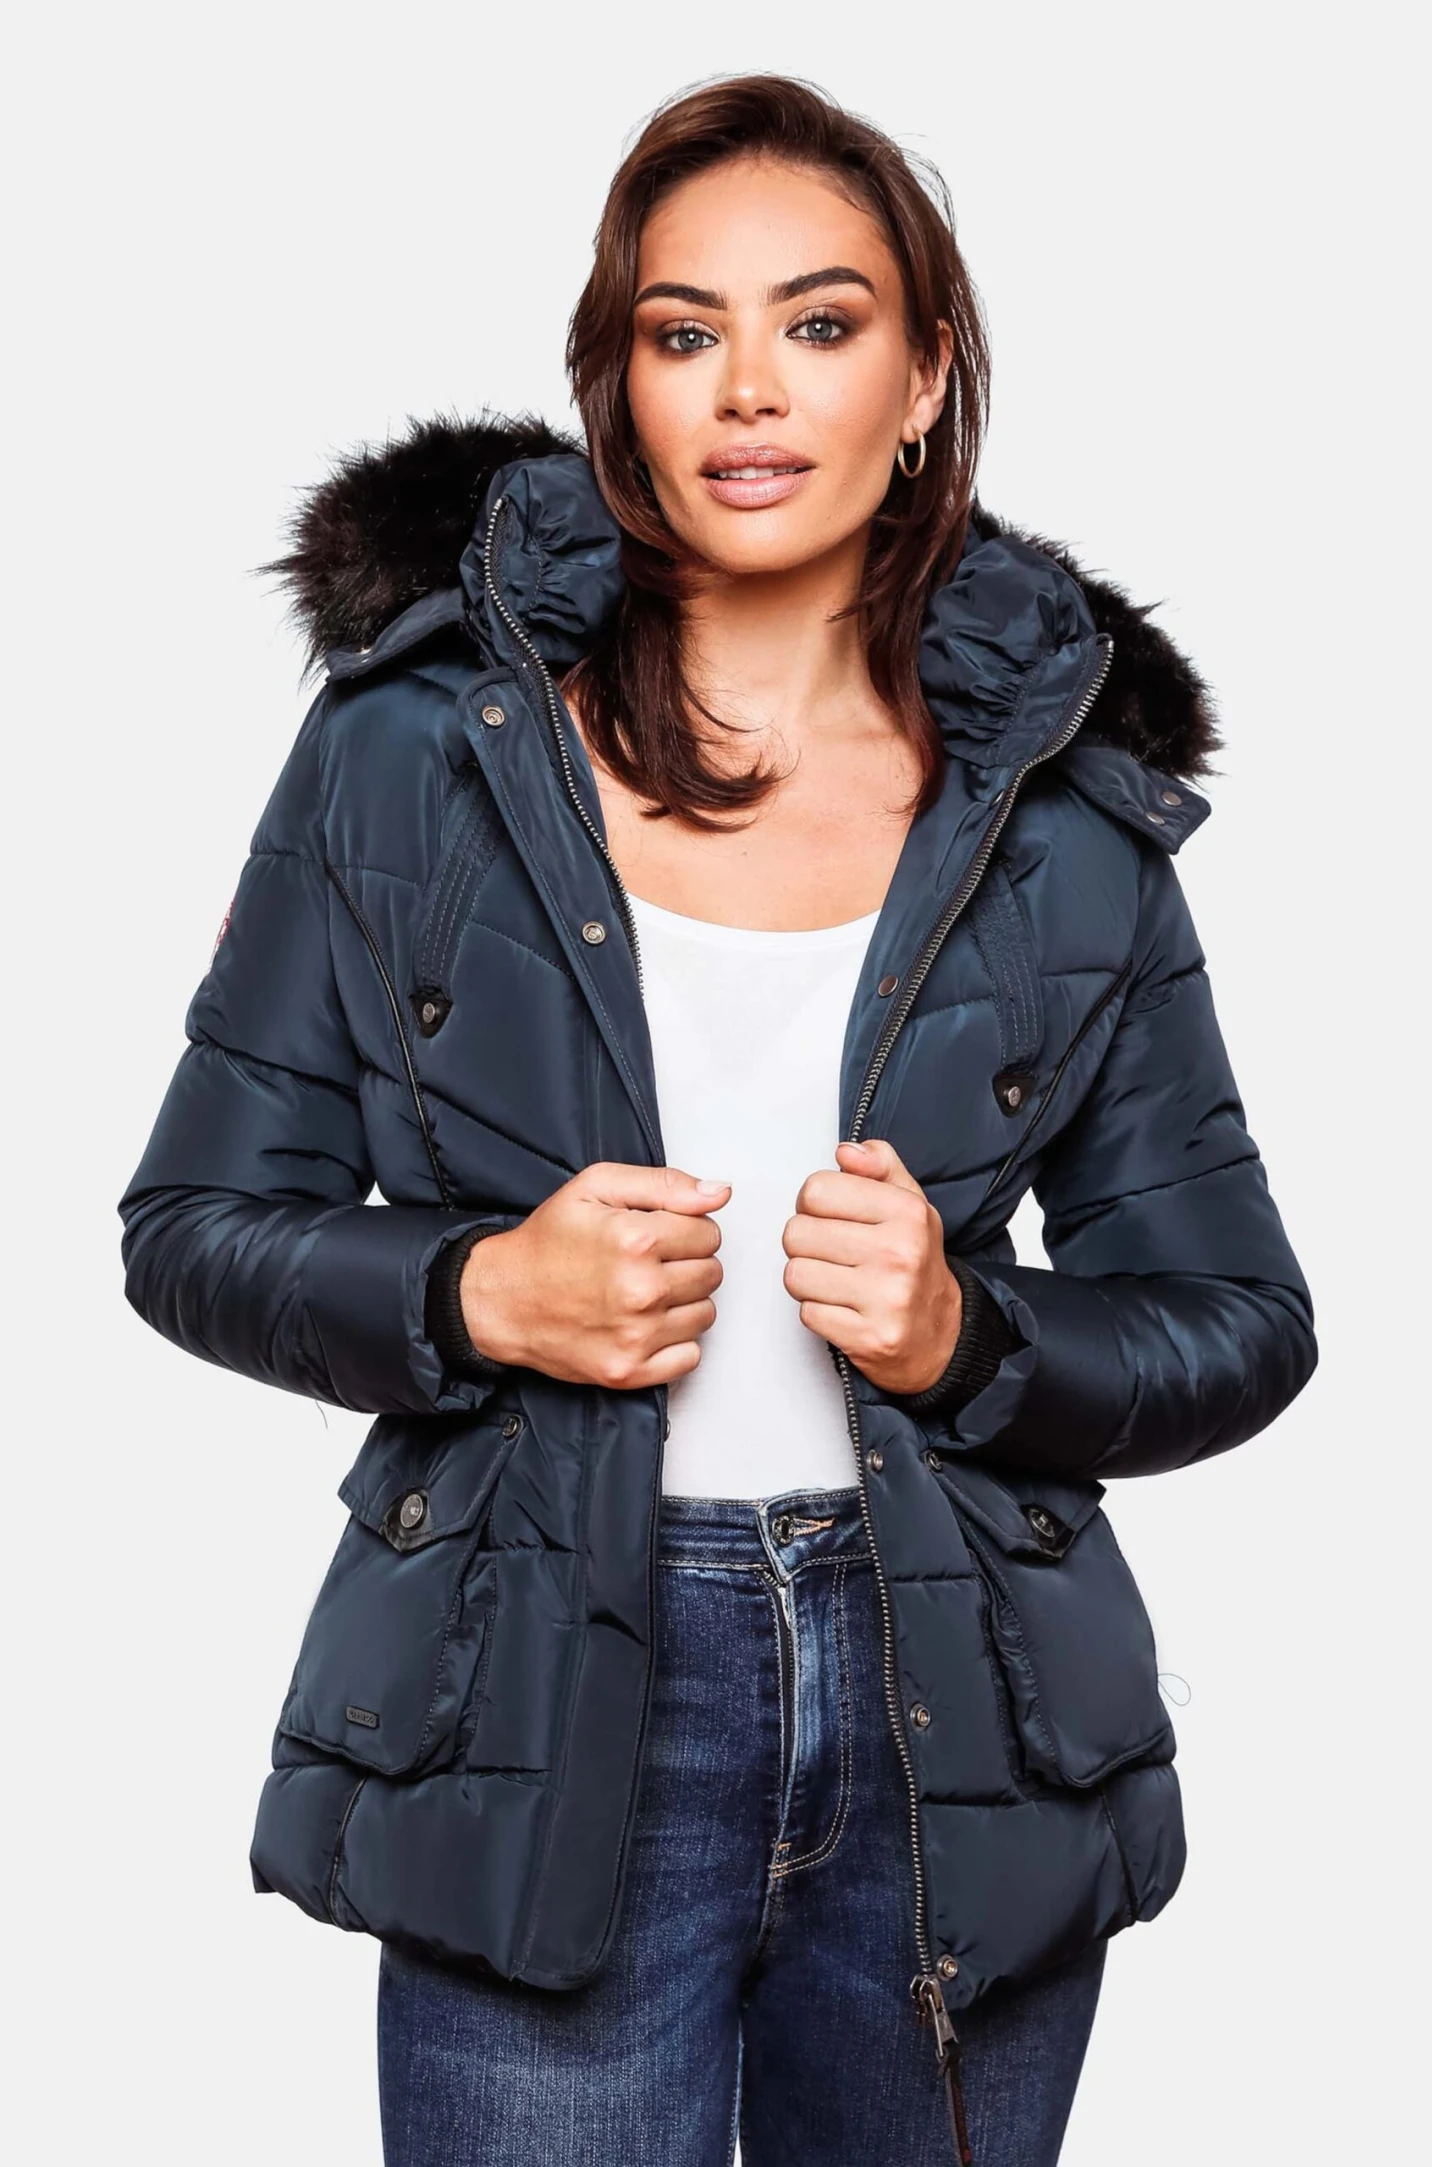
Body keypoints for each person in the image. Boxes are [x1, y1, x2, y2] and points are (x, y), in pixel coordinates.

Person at [118, 71, 1317, 2167]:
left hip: (960, 1712)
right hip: (543, 1697)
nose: (750, 390)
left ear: (923, 378)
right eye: (686, 332)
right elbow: (195, 1222)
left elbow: (1237, 1315)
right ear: (623, 381)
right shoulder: (416, 750)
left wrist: (971, 1338)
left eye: (820, 323)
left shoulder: (1058, 810)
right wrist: (479, 1290)